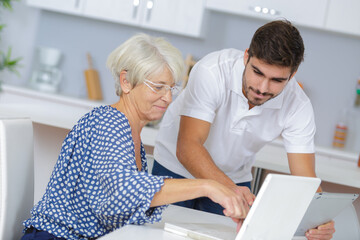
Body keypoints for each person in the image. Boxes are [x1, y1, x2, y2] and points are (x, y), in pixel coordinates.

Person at [21, 34, 250, 240]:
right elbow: (124, 190)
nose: (168, 98)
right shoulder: (107, 123)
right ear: (126, 82)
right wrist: (208, 186)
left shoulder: (130, 132)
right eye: (158, 87)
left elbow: (114, 207)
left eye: (171, 88)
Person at [152, 20, 335, 239]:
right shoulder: (212, 70)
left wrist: (319, 219)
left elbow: (306, 179)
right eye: (258, 72)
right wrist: (233, 191)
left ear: (293, 74)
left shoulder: (298, 106)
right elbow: (188, 147)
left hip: (233, 176)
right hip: (175, 168)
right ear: (246, 56)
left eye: (277, 80)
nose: (262, 88)